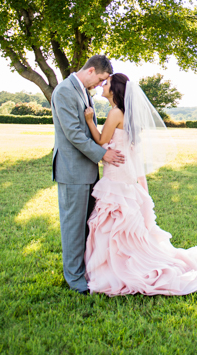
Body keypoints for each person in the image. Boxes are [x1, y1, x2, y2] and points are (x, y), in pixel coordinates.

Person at [81, 73, 197, 296]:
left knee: (111, 222)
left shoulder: (115, 112)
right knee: (120, 224)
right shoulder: (129, 115)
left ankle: (115, 268)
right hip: (125, 174)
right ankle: (120, 261)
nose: (102, 86)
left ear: (115, 90)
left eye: (106, 84)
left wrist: (89, 121)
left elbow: (100, 141)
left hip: (116, 175)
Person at [51, 54, 126, 294]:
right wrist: (103, 155)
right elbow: (73, 133)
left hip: (88, 169)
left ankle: (84, 270)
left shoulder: (83, 90)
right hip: (73, 170)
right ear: (91, 70)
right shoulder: (64, 91)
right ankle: (75, 280)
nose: (100, 85)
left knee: (87, 226)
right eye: (101, 79)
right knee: (73, 227)